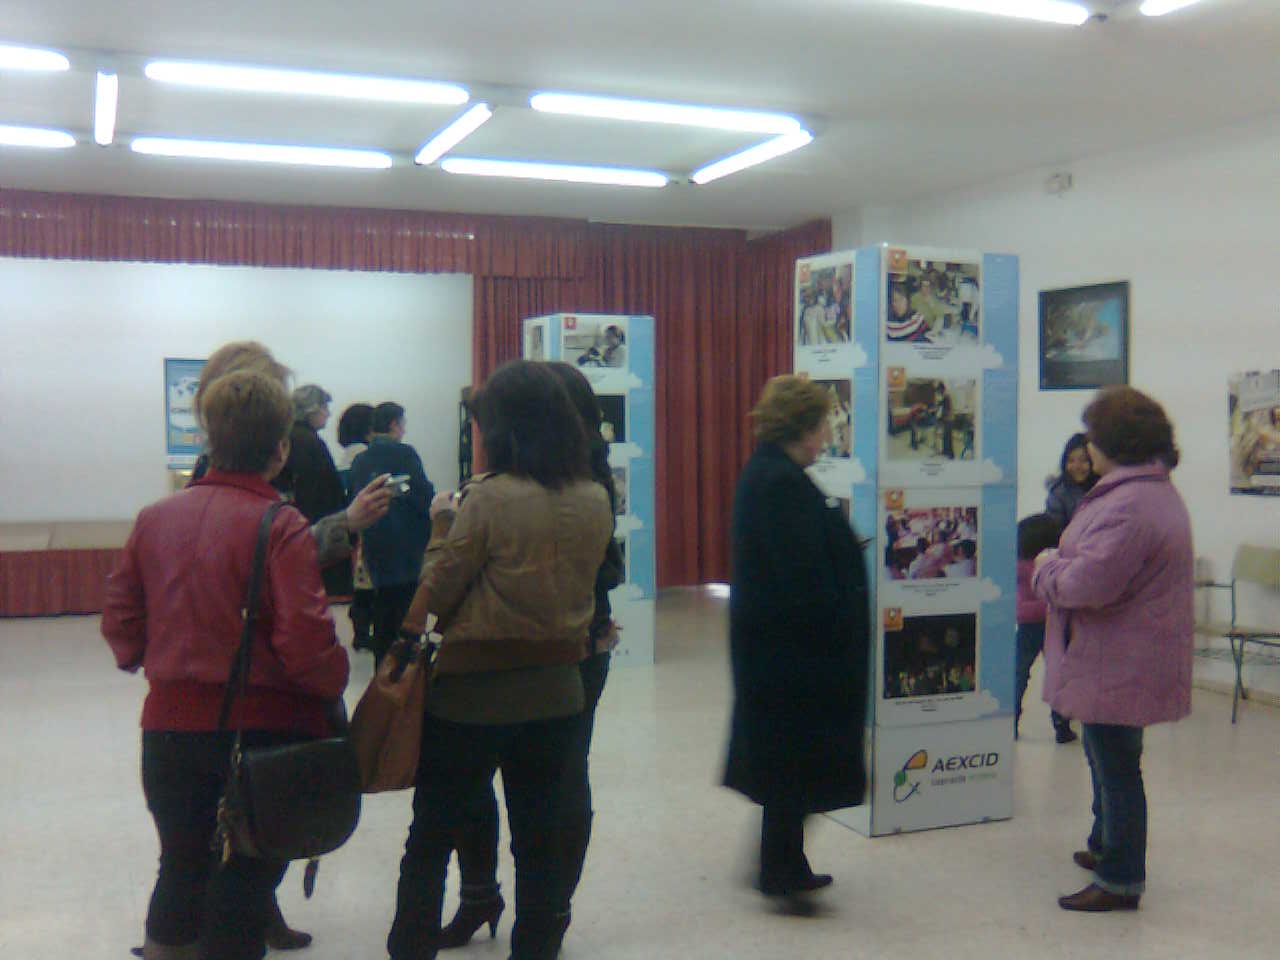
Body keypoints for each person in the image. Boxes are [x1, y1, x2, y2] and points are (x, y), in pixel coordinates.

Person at [137, 341, 390, 956]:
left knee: (185, 859)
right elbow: (304, 642)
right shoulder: (278, 522)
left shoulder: (158, 514)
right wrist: (332, 680)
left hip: (171, 722)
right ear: (277, 444)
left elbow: (124, 627)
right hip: (257, 719)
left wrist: (174, 650)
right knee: (244, 871)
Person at [385, 360, 613, 960]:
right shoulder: (594, 497)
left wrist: (440, 522)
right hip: (560, 692)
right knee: (540, 840)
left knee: (431, 835)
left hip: (472, 697)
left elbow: (437, 591)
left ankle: (412, 948)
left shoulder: (487, 499)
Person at [1032, 386, 1194, 912]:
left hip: (1118, 657)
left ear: (1114, 444)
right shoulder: (1144, 493)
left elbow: (1088, 584)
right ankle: (1105, 845)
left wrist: (1045, 567)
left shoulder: (1129, 505)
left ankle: (1121, 877)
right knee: (1108, 757)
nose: (1087, 447)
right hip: (1123, 654)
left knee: (1117, 766)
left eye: (1093, 438)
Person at [723, 375, 870, 903]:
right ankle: (780, 869)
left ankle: (782, 861)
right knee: (796, 761)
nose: (825, 439)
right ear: (802, 427)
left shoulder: (772, 473)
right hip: (794, 654)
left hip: (781, 650)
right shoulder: (780, 482)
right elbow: (799, 575)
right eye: (822, 427)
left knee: (788, 763)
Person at [349, 402, 433, 665]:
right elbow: (424, 496)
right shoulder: (405, 454)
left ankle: (381, 676)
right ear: (394, 424)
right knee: (408, 616)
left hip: (377, 544)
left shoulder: (361, 460)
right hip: (408, 545)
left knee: (383, 614)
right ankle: (406, 676)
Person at [282, 384, 351, 597]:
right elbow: (320, 493)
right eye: (324, 407)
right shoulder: (308, 442)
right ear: (311, 409)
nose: (328, 414)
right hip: (313, 533)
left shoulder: (289, 438)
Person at [1013, 513, 1074, 743]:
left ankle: (1011, 721)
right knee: (1059, 674)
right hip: (1053, 624)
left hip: (1026, 625)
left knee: (1018, 673)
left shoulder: (1017, 564)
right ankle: (1061, 725)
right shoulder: (1052, 562)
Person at [336, 403, 376, 651]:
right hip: (363, 523)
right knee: (366, 583)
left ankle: (360, 630)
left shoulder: (345, 455)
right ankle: (363, 631)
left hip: (348, 523)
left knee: (361, 582)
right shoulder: (363, 455)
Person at [1044, 432, 1098, 528]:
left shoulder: (1103, 487)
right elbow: (1053, 529)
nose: (1077, 467)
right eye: (1071, 461)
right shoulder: (1058, 494)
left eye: (1084, 460)